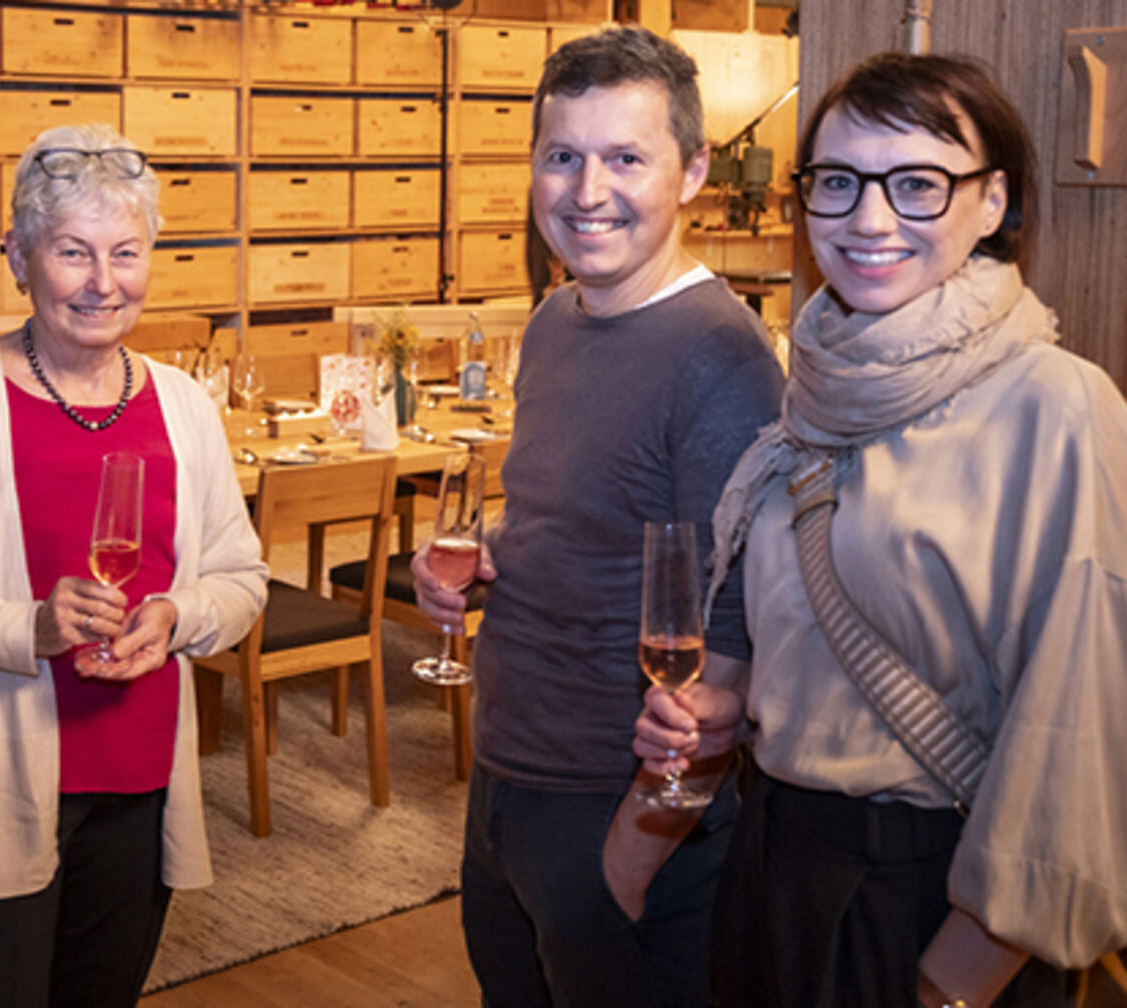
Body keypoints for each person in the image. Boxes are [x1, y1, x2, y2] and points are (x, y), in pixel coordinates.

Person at [635, 53, 1127, 1008]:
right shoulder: (817, 390)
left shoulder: (1057, 412)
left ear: (993, 202)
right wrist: (749, 699)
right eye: (837, 183)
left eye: (918, 184)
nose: (868, 220)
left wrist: (957, 980)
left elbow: (1083, 735)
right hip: (777, 865)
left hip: (932, 897)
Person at [410, 25, 785, 1007]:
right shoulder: (554, 320)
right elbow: (572, 521)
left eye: (626, 158)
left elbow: (733, 637)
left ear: (694, 170)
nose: (586, 192)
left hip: (612, 806)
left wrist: (624, 863)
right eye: (562, 157)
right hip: (505, 779)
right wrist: (481, 558)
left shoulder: (721, 358)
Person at [0, 122, 267, 1008]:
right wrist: (27, 627)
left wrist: (181, 616)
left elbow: (241, 576)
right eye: (72, 252)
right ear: (19, 256)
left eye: (126, 252)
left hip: (141, 778)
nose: (102, 282)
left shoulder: (185, 405)